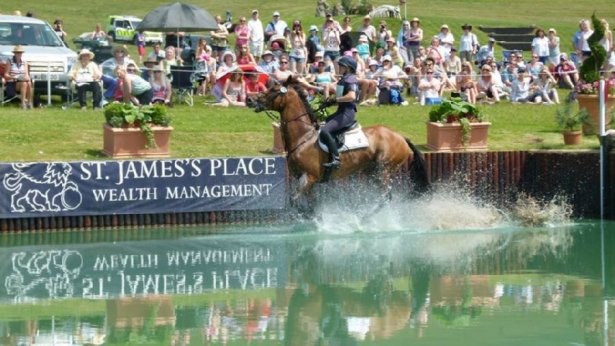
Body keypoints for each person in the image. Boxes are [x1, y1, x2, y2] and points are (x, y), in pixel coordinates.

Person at [320, 56, 359, 169]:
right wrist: (329, 102)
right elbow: (341, 98)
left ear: (348, 68)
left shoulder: (351, 79)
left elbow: (351, 96)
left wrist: (335, 99)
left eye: (341, 65)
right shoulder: (344, 79)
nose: (339, 67)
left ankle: (336, 159)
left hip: (347, 113)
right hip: (341, 111)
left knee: (325, 130)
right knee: (322, 124)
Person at [4, 45, 33, 109]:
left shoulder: (24, 62)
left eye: (20, 52)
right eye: (17, 52)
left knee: (28, 83)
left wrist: (26, 78)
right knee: (24, 83)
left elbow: (26, 74)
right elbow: (6, 75)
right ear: (14, 53)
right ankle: (23, 104)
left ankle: (30, 103)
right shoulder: (10, 61)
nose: (19, 54)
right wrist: (13, 77)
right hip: (12, 82)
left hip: (22, 80)